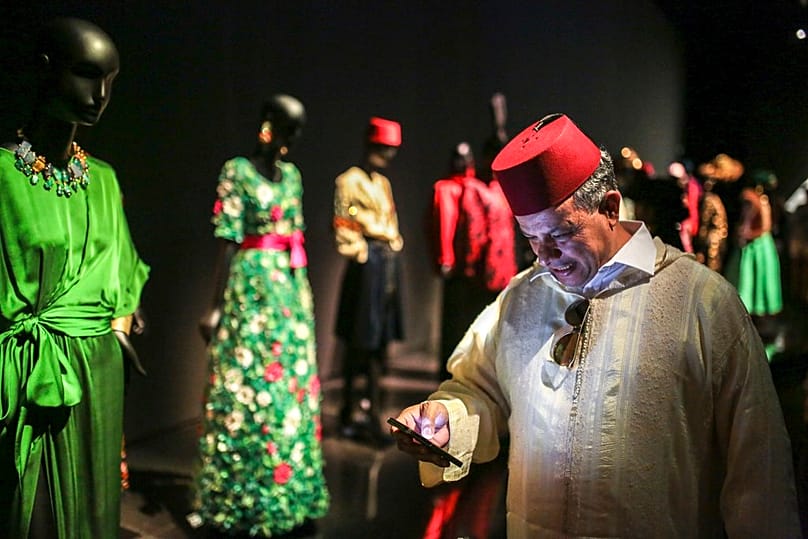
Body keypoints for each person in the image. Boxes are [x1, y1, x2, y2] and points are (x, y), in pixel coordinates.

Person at [391, 113, 800, 537]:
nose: (545, 256)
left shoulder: (702, 304)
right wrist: (447, 418)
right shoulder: (524, 295)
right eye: (531, 237)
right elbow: (480, 389)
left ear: (609, 206)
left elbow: (758, 471)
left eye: (560, 234)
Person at [0, 18, 150, 538]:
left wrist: (122, 328)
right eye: (87, 75)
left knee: (94, 512)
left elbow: (124, 274)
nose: (101, 95)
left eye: (110, 79)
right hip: (28, 381)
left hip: (100, 374)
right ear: (46, 71)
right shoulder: (2, 175)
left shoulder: (104, 180)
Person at [194, 95, 329, 537]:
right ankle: (238, 493)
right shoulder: (237, 171)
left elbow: (295, 233)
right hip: (250, 290)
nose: (291, 141)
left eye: (297, 132)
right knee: (246, 386)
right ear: (268, 125)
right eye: (286, 128)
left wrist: (302, 301)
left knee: (289, 391)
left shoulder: (292, 176)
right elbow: (228, 239)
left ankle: (287, 490)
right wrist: (214, 307)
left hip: (289, 294)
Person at [333, 116, 404, 444]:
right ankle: (349, 409)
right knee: (360, 340)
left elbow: (391, 220)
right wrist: (360, 254)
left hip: (386, 261)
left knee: (379, 342)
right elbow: (343, 221)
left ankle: (373, 409)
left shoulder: (382, 184)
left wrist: (391, 247)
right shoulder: (349, 180)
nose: (388, 156)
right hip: (367, 263)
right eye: (383, 148)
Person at [724, 169, 784, 359]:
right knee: (757, 281)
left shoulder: (752, 199)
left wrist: (744, 234)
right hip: (762, 244)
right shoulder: (763, 199)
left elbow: (755, 223)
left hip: (755, 246)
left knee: (749, 279)